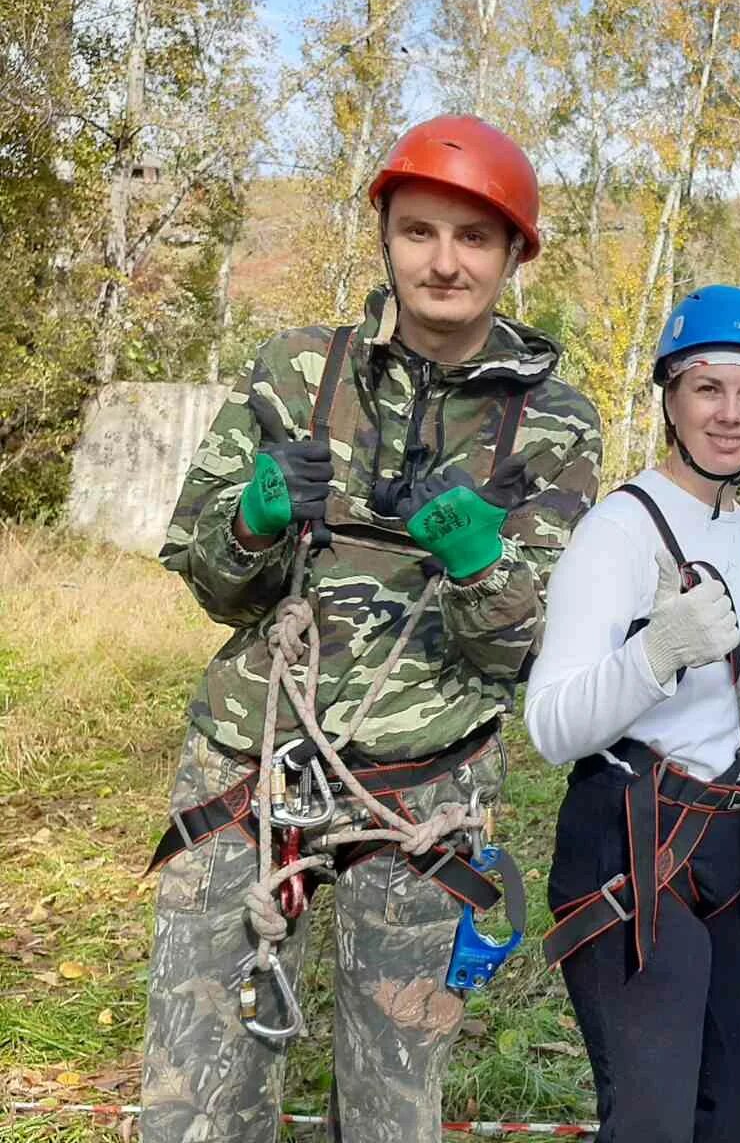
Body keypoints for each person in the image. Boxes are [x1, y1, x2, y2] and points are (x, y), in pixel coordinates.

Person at [141, 114, 603, 1143]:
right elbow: (211, 581)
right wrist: (254, 523)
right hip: (250, 771)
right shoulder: (298, 372)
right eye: (419, 231)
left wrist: (482, 567)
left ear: (513, 254)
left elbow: (517, 650)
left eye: (474, 237)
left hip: (424, 794)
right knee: (196, 1099)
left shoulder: (555, 423)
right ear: (385, 236)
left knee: (393, 1106)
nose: (443, 262)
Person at [527, 285, 740, 1143]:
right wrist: (653, 656)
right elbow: (550, 726)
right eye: (707, 387)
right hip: (633, 841)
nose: (730, 413)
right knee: (653, 1113)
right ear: (671, 398)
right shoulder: (620, 528)